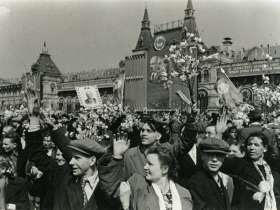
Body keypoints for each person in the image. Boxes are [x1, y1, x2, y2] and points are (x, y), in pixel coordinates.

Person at [26, 117, 112, 210]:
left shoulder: (107, 183)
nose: (70, 161)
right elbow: (38, 155)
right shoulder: (63, 177)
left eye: (77, 158)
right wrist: (34, 119)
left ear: (92, 161)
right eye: (72, 157)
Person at [101, 144, 193, 210]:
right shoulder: (137, 183)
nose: (145, 167)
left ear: (164, 169)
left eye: (150, 164)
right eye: (146, 163)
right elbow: (112, 190)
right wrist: (117, 157)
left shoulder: (183, 193)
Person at [187, 137, 231, 210]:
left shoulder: (220, 179)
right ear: (202, 156)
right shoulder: (196, 182)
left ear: (224, 158)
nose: (214, 159)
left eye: (219, 155)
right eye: (210, 155)